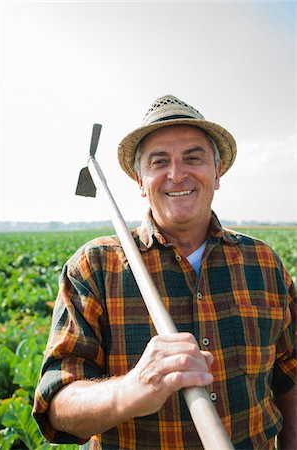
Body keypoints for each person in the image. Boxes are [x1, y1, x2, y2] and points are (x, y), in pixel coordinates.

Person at [33, 95, 296, 449]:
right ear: (141, 182)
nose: (177, 174)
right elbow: (57, 407)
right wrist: (133, 388)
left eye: (193, 157)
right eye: (160, 162)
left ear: (217, 173)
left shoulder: (265, 264)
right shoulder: (94, 267)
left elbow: (290, 379)